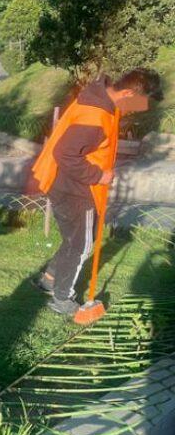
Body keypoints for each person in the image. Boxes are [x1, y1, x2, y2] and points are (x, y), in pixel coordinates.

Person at [31, 69, 162, 315]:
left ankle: (49, 279)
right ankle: (62, 299)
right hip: (77, 190)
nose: (138, 109)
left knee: (74, 239)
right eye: (139, 103)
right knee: (82, 246)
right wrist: (99, 175)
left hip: (65, 185)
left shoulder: (98, 99)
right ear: (128, 93)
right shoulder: (96, 115)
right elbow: (65, 154)